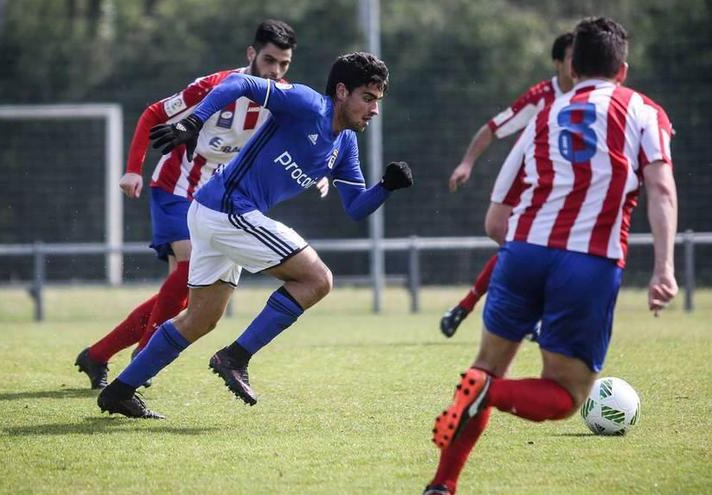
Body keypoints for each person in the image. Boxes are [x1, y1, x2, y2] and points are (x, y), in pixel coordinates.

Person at [423, 17, 678, 495]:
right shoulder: (643, 111)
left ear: (574, 66)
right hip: (587, 262)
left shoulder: (547, 112)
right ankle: (489, 394)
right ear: (622, 70)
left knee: (484, 366)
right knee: (566, 394)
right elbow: (661, 188)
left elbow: (504, 201)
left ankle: (443, 484)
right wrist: (664, 269)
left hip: (522, 254)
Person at [96, 51, 413, 419]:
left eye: (378, 101)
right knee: (318, 279)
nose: (374, 109)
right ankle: (235, 357)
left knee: (200, 319)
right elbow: (240, 83)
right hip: (228, 208)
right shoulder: (309, 103)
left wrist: (386, 187)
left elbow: (356, 207)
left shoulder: (345, 145)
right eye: (368, 98)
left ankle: (119, 391)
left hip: (214, 212)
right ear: (342, 91)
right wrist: (195, 121)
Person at [74, 20, 327, 389]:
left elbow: (306, 141)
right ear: (251, 53)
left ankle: (96, 355)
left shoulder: (284, 100)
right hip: (176, 189)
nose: (276, 71)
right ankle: (143, 356)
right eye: (270, 60)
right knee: (188, 275)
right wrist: (132, 170)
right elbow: (154, 114)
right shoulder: (214, 85)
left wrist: (316, 171)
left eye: (284, 64)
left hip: (223, 200)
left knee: (184, 297)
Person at [440, 33, 574, 338]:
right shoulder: (542, 96)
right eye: (571, 57)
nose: (578, 63)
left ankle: (472, 307)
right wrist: (467, 163)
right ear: (557, 63)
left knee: (531, 248)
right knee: (512, 240)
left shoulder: (592, 98)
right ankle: (475, 307)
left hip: (562, 185)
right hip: (525, 181)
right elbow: (492, 128)